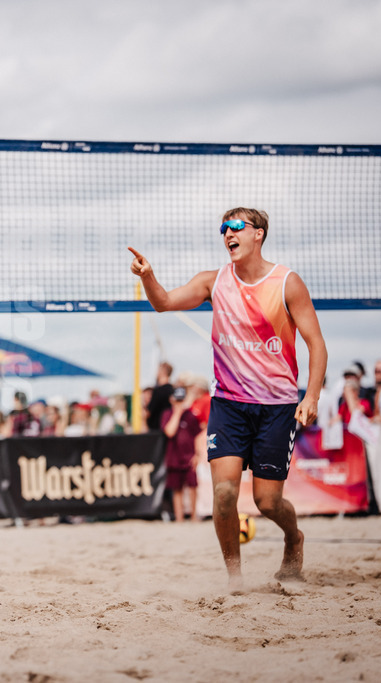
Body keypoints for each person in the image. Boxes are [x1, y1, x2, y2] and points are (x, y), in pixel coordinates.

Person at [129, 207, 327, 590]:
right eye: (224, 228)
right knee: (223, 495)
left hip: (276, 406)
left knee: (268, 503)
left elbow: (316, 344)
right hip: (230, 404)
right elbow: (164, 303)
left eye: (237, 227)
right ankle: (236, 579)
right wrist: (149, 276)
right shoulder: (213, 281)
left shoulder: (286, 282)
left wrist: (312, 395)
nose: (228, 234)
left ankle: (293, 538)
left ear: (259, 234)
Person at [160, 382, 200, 522]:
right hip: (174, 457)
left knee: (193, 487)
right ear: (171, 399)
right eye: (176, 400)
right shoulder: (167, 414)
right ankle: (179, 518)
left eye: (181, 400)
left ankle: (194, 516)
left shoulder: (190, 416)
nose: (179, 403)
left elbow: (197, 436)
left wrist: (197, 455)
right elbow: (169, 432)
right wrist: (177, 413)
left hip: (189, 457)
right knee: (177, 489)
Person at [144, 362, 174, 432]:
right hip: (168, 428)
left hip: (156, 430)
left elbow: (148, 412)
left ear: (162, 372)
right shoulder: (172, 389)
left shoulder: (158, 391)